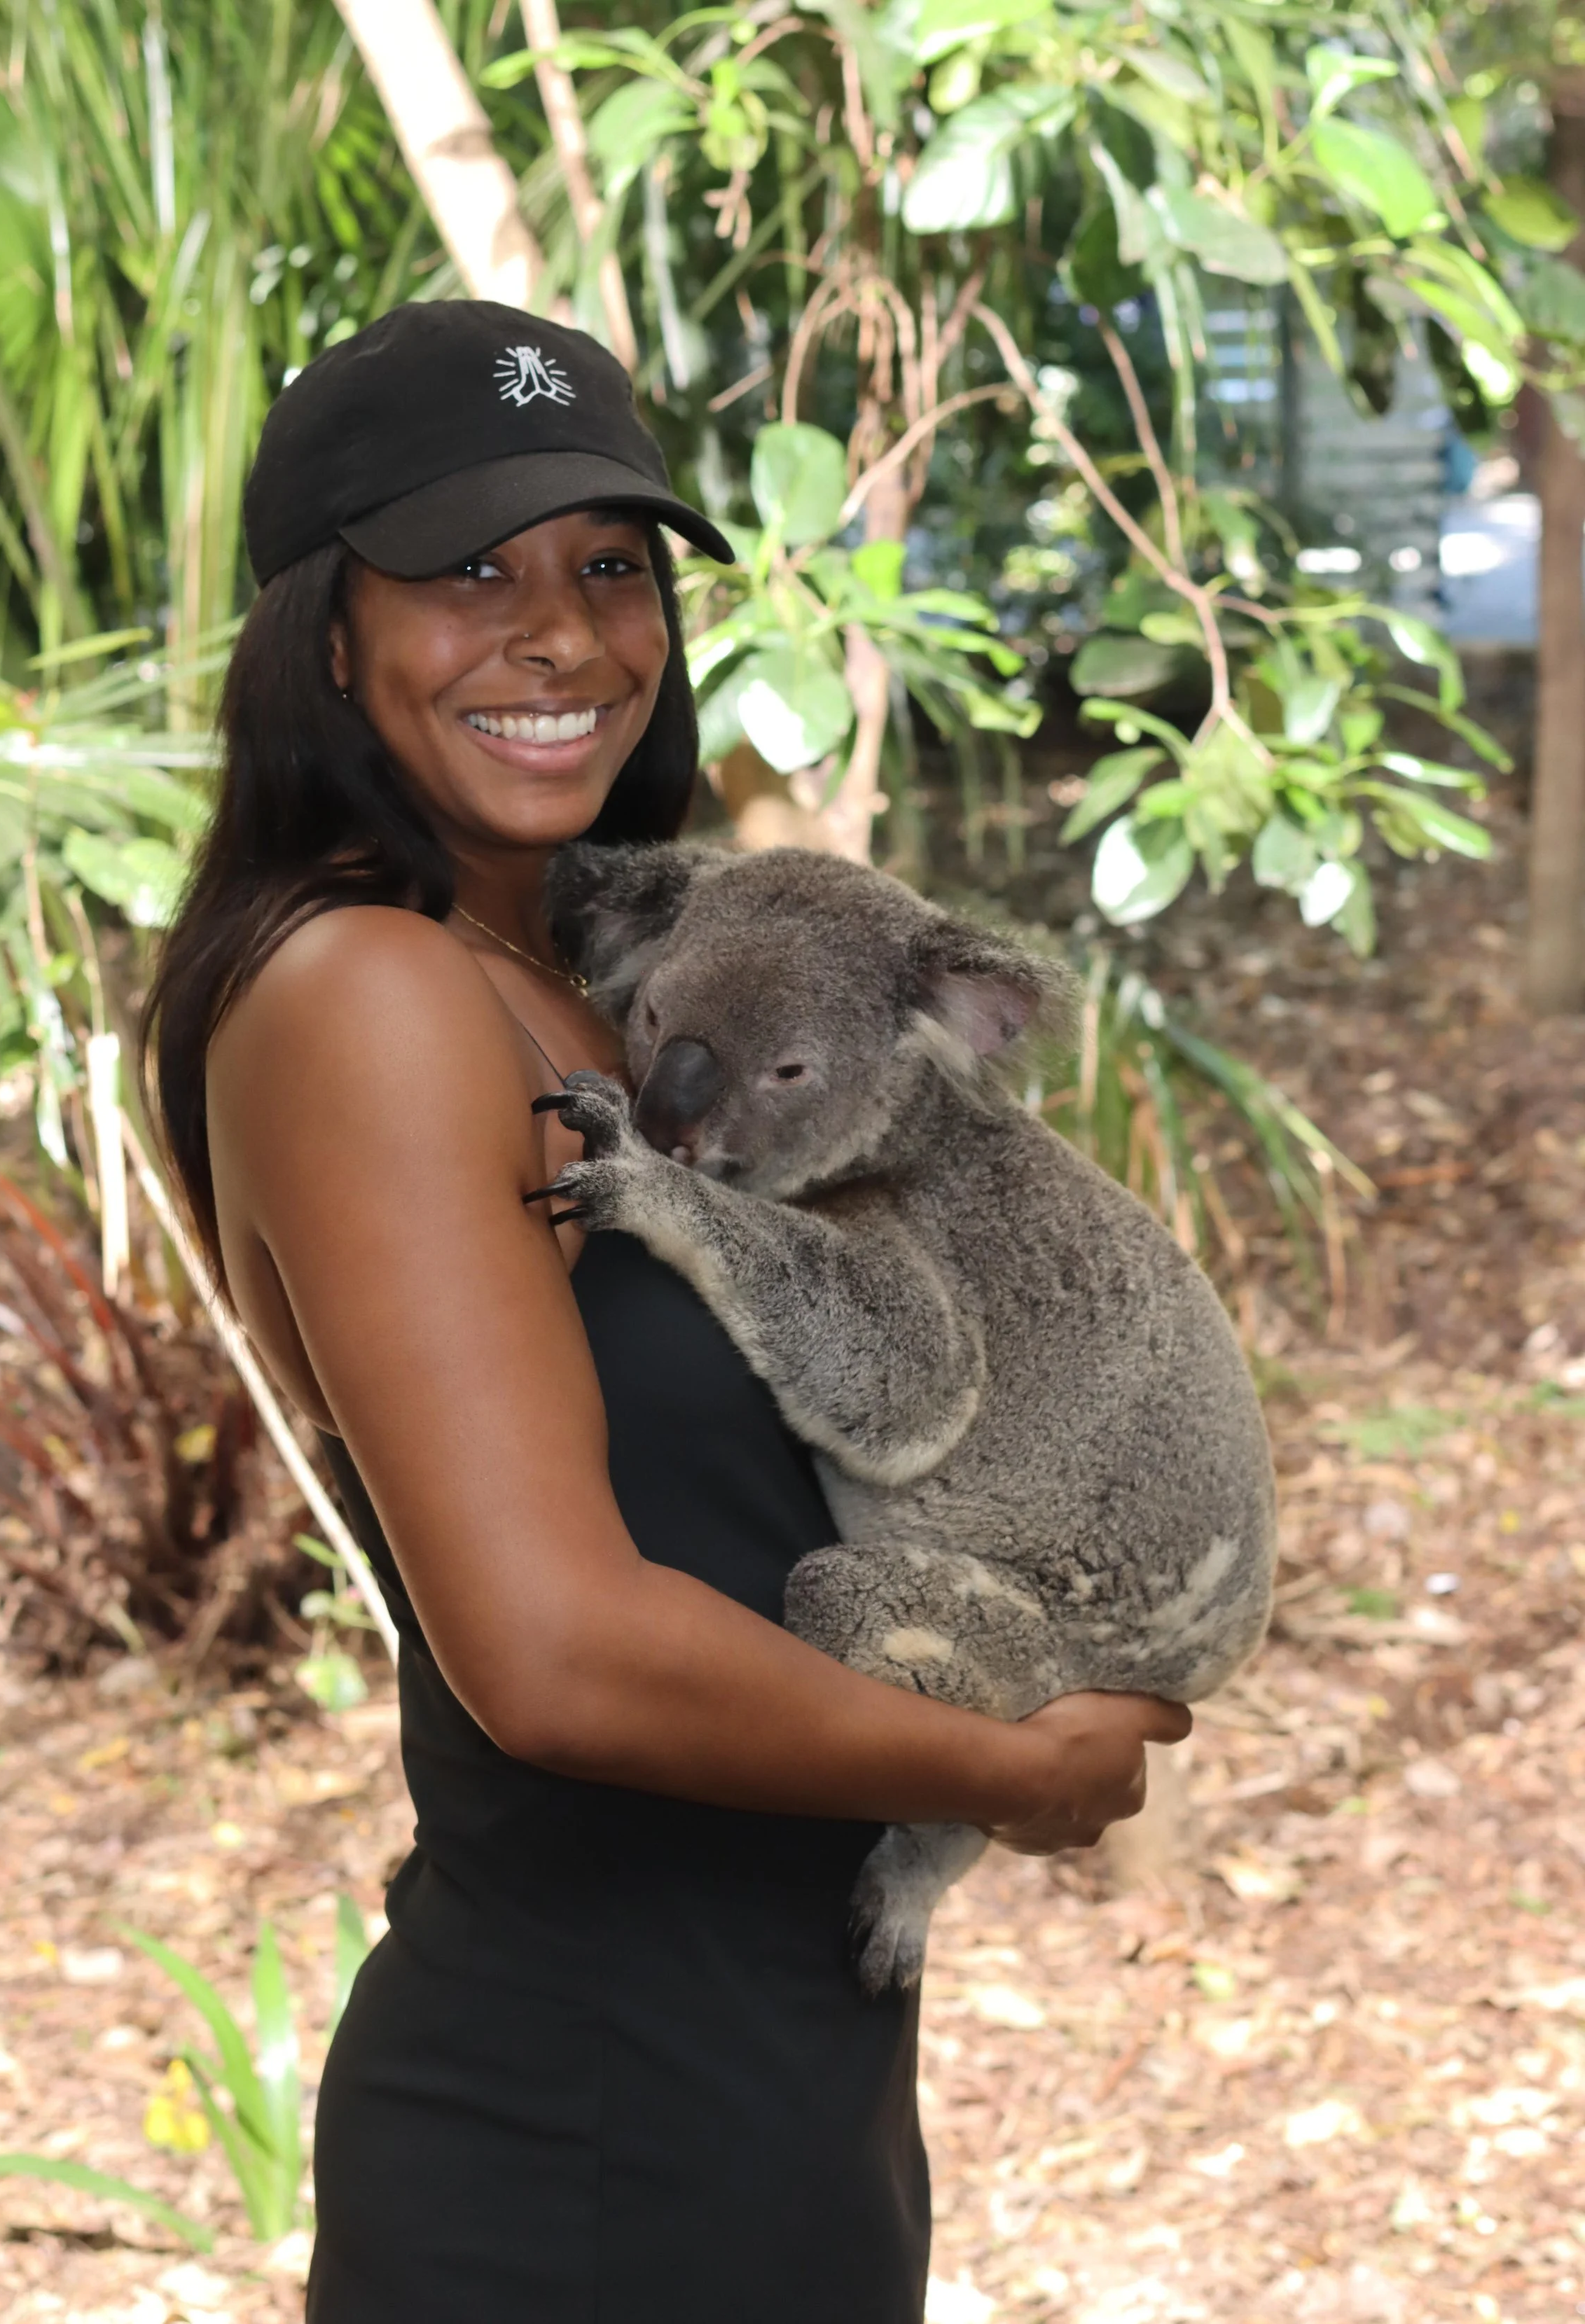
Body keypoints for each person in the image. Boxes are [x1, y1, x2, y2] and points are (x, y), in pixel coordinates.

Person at [144, 299, 1191, 2324]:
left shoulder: (592, 985)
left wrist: (1109, 1615)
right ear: (324, 632)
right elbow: (550, 1654)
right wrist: (1007, 1773)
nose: (561, 636)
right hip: (583, 2137)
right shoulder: (365, 992)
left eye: (607, 567)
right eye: (467, 572)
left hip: (762, 2088)